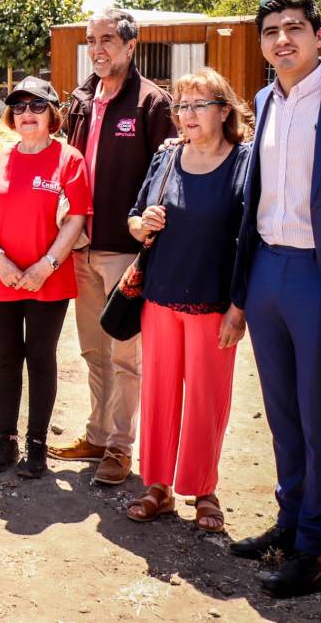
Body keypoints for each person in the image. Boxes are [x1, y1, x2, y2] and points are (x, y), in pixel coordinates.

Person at [226, 0, 321, 598]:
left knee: (319, 410)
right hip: (267, 270)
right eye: (271, 30)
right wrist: (241, 291)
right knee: (281, 410)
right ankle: (291, 520)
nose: (282, 40)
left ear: (319, 35)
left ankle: (319, 544)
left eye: (294, 28)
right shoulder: (263, 101)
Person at [49, 8, 175, 486]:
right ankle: (97, 435)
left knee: (125, 357)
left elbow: (165, 177)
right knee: (93, 351)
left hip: (124, 252)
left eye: (107, 39)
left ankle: (121, 448)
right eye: (91, 40)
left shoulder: (151, 103)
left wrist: (149, 237)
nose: (97, 49)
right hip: (80, 245)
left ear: (129, 45)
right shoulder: (81, 99)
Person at [124, 68, 252, 533]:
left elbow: (251, 239)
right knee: (157, 394)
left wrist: (239, 307)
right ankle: (157, 486)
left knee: (206, 399)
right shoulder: (166, 158)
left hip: (214, 302)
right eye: (181, 106)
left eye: (199, 105)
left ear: (223, 110)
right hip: (159, 296)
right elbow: (134, 217)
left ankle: (203, 489)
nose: (188, 115)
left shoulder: (245, 161)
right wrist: (142, 225)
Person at [0, 77, 90, 479]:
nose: (27, 114)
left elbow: (76, 218)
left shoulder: (69, 159)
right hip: (0, 276)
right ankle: (5, 440)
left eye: (37, 107)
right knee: (7, 359)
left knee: (40, 358)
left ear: (52, 114)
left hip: (48, 279)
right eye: (19, 107)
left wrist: (47, 265)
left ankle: (36, 443)